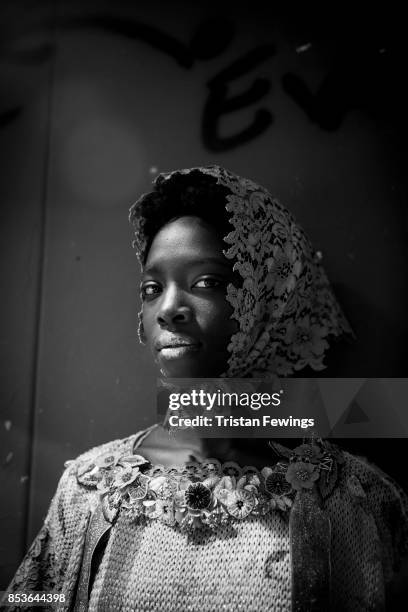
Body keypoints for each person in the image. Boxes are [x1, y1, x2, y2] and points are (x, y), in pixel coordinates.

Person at [3, 166, 408, 611]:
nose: (169, 308)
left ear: (269, 296)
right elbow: (33, 597)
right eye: (152, 288)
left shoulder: (351, 499)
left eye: (207, 283)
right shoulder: (90, 487)